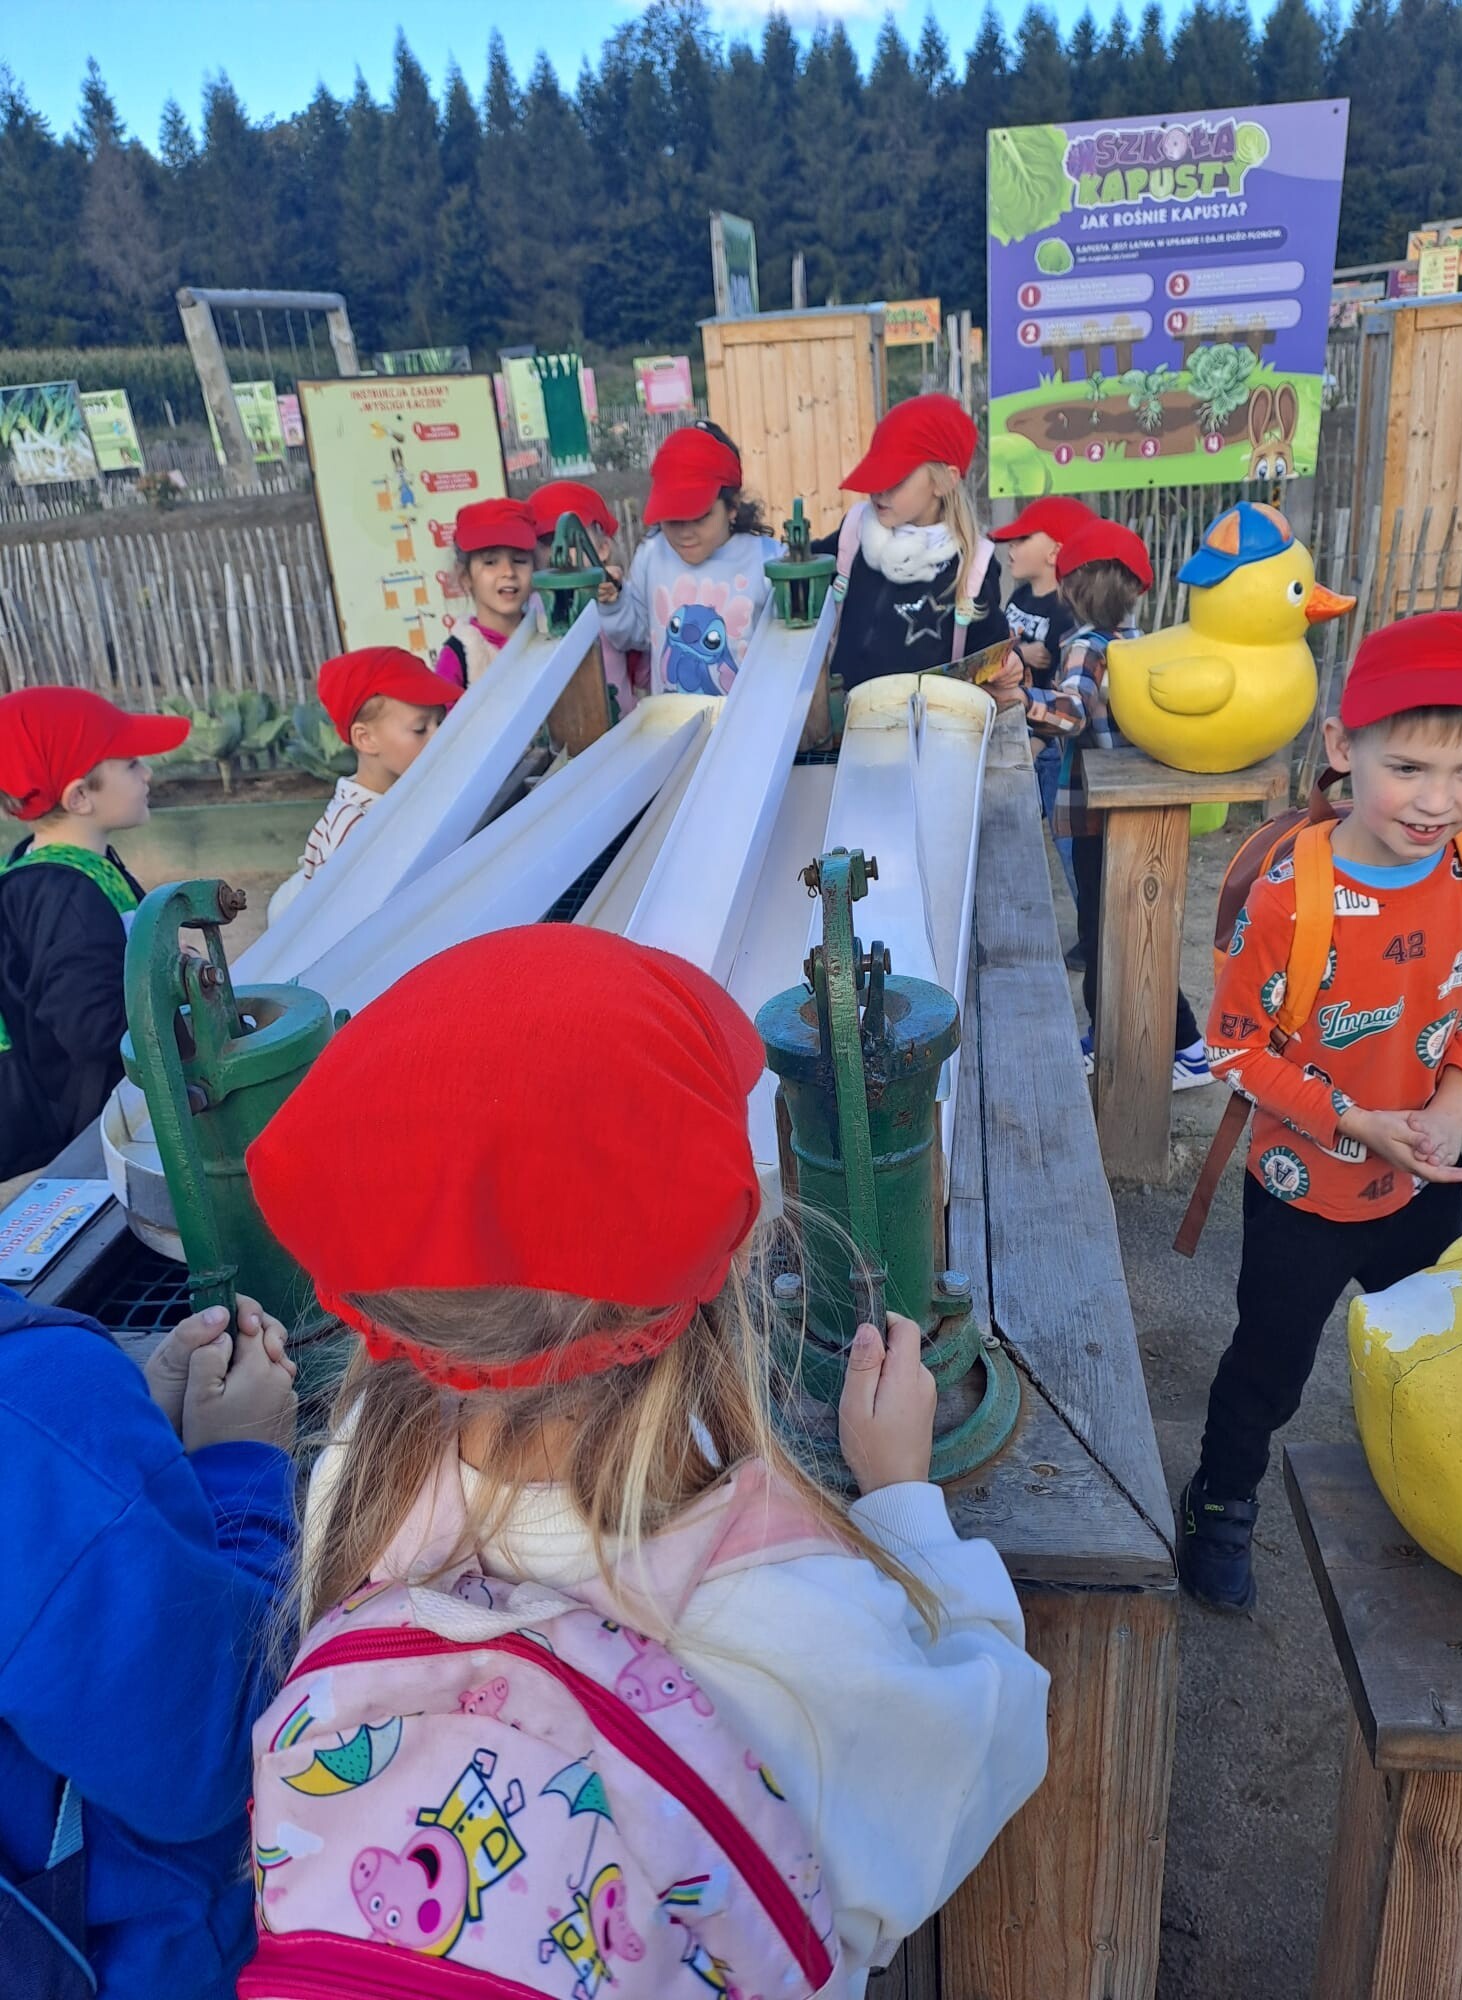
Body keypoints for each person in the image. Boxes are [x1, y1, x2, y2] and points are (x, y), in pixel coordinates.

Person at [244, 924, 1049, 1988]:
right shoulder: (788, 1617)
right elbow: (989, 1735)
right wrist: (903, 1497)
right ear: (725, 1264)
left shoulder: (357, 1483)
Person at [1181, 612, 1462, 1612]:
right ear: (1340, 746)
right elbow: (1236, 1047)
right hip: (1302, 1188)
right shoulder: (1293, 896)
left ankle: (1422, 1480)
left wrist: (1452, 1106)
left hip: (1425, 1179)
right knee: (1271, 1365)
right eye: (1407, 768)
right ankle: (1221, 1496)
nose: (1439, 801)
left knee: (1425, 1347)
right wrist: (1358, 1122)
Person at [0, 1282, 297, 1997]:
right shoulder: (34, 1400)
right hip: (161, 1959)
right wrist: (244, 1466)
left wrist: (135, 1464)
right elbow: (222, 1748)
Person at [1023, 520, 1211, 1089]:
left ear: (1070, 588)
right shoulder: (1141, 643)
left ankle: (1183, 1048)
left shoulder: (1086, 645)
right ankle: (1117, 1036)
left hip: (1096, 817)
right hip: (1137, 816)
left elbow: (1070, 714)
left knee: (1109, 936)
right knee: (1132, 933)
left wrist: (1016, 698)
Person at [0, 687, 189, 1178]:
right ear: (80, 796)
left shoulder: (66, 867)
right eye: (130, 764)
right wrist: (179, 994)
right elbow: (91, 1028)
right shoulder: (66, 894)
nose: (147, 774)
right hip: (101, 1127)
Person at [813, 393, 1008, 695]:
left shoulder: (973, 566)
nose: (879, 488)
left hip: (926, 721)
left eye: (895, 477)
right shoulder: (853, 535)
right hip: (844, 721)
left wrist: (1012, 665)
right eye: (875, 473)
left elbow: (991, 658)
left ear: (944, 481)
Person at [268, 647, 459, 924]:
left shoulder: (409, 797)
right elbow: (337, 925)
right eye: (420, 729)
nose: (439, 736)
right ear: (366, 739)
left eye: (441, 722)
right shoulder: (353, 827)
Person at [597, 421, 783, 696]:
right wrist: (614, 604)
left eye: (699, 517)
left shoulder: (769, 561)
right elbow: (637, 635)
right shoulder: (652, 553)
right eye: (673, 519)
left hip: (749, 718)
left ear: (732, 506)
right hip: (671, 719)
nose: (685, 533)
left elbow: (788, 656)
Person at [990, 495, 1097, 832]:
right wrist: (1023, 653)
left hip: (1045, 743)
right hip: (1013, 732)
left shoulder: (1067, 612)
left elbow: (1061, 685)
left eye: (1023, 539)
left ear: (1055, 553)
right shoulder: (1019, 596)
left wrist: (1036, 746)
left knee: (1065, 837)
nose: (1011, 547)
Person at [529, 477, 644, 717]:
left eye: (571, 541)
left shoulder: (614, 594)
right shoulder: (533, 606)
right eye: (548, 541)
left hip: (620, 723)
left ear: (602, 549)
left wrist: (613, 603)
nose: (559, 551)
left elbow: (632, 638)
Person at [437, 498, 539, 691]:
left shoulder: (549, 637)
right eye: (490, 562)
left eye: (519, 560)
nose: (508, 572)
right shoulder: (458, 655)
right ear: (465, 576)